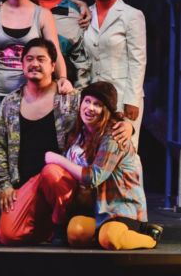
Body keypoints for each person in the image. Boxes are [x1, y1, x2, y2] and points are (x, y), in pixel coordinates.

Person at [0, 40, 132, 245]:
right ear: (22, 65)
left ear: (53, 65)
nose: (34, 64)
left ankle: (63, 223)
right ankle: (51, 230)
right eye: (29, 59)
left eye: (41, 59)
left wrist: (127, 125)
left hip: (63, 181)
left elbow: (102, 113)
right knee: (7, 235)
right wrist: (4, 185)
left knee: (50, 172)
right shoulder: (10, 103)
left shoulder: (70, 98)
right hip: (27, 185)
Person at [46, 82, 160, 250]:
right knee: (75, 233)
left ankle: (149, 237)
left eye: (97, 104)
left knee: (110, 238)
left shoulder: (114, 136)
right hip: (99, 209)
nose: (90, 108)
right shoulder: (81, 133)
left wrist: (58, 159)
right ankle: (105, 237)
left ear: (106, 110)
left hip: (122, 208)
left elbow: (93, 177)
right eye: (87, 101)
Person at [84, 0, 146, 147]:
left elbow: (138, 60)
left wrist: (132, 100)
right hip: (93, 100)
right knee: (94, 154)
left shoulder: (132, 15)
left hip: (122, 97)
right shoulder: (85, 13)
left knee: (122, 152)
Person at [32, 0, 91, 87]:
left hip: (56, 88)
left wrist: (79, 92)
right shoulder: (16, 2)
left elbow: (80, 61)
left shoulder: (75, 14)